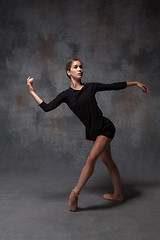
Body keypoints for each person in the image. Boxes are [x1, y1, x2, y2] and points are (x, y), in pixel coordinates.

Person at [27, 58, 149, 212]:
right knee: (108, 162)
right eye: (75, 67)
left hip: (105, 128)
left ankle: (75, 193)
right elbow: (47, 107)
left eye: (81, 67)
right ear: (68, 72)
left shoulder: (91, 87)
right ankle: (118, 194)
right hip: (93, 132)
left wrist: (136, 83)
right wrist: (32, 92)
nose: (80, 69)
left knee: (91, 159)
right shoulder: (66, 95)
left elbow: (114, 86)